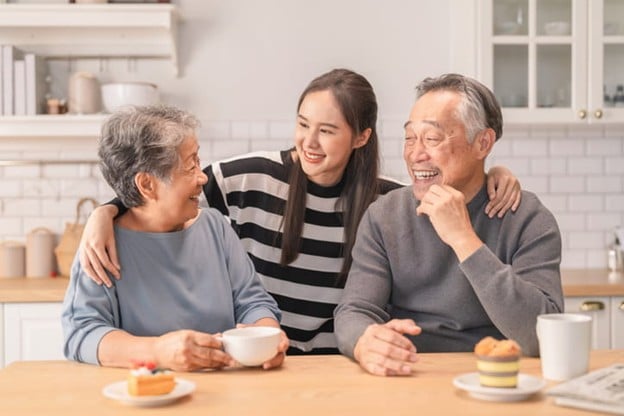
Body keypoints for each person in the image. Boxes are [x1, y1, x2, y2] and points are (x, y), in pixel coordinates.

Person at [78, 69, 522, 355]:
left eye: (327, 130)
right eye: (302, 125)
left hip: (346, 366)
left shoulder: (385, 203)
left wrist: (492, 174)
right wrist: (105, 212)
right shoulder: (248, 179)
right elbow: (159, 193)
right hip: (268, 363)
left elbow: (443, 190)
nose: (308, 143)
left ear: (361, 137)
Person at [334, 73, 563, 376]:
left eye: (432, 138)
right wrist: (364, 341)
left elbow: (541, 335)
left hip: (495, 377)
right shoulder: (385, 216)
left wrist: (464, 239)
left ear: (483, 143)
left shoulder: (527, 218)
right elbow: (355, 311)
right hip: (408, 373)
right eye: (409, 138)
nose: (416, 154)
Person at [61, 105, 287, 371]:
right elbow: (82, 334)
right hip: (145, 398)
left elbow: (253, 302)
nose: (202, 177)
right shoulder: (102, 246)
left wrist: (267, 336)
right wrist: (158, 351)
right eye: (190, 167)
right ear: (146, 185)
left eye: (198, 161)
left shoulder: (216, 227)